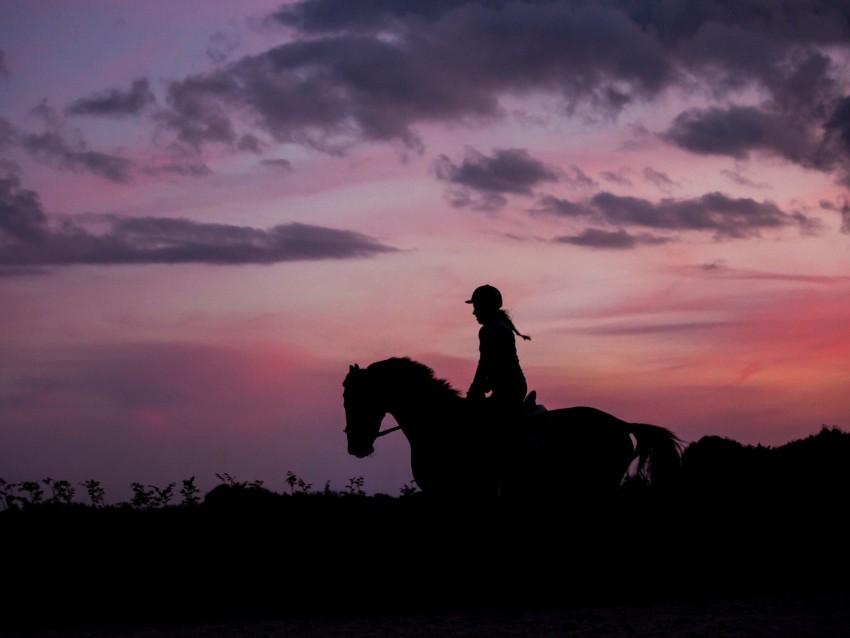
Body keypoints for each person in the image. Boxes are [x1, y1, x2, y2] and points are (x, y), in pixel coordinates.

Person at [465, 284, 531, 416]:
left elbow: (485, 363)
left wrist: (475, 388)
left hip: (509, 390)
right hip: (506, 387)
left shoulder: (494, 330)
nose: (474, 312)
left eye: (476, 307)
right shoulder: (491, 329)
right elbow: (493, 364)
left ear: (486, 306)